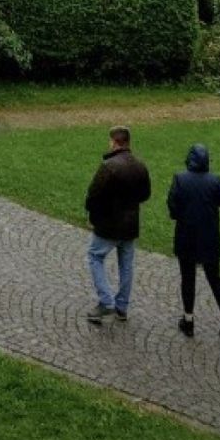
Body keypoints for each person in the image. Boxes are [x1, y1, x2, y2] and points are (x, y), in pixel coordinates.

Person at [168, 144, 220, 341]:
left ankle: (188, 320)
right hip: (209, 238)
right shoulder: (215, 181)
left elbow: (172, 207)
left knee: (188, 278)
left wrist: (181, 215)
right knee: (215, 278)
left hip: (186, 236)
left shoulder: (180, 179)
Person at [84, 126, 152, 324]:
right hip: (130, 224)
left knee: (95, 256)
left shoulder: (109, 166)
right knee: (126, 265)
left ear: (114, 142)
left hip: (109, 224)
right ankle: (122, 307)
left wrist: (92, 214)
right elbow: (145, 194)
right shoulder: (140, 166)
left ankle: (106, 301)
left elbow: (94, 194)